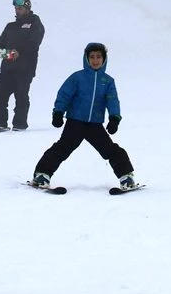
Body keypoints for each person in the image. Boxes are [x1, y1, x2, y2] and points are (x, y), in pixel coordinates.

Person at [30, 42, 138, 191]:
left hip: (94, 125)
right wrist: (58, 112)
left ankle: (126, 176)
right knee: (62, 148)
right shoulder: (77, 77)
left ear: (104, 59)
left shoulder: (107, 81)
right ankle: (42, 174)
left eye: (98, 57)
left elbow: (112, 100)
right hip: (75, 122)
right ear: (86, 59)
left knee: (110, 150)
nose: (95, 60)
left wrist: (114, 118)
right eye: (92, 57)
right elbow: (64, 95)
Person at [0, 0, 46, 132]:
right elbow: (0, 42)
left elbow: (34, 43)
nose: (17, 10)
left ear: (27, 8)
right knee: (0, 94)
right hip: (8, 66)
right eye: (16, 8)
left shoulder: (35, 23)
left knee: (21, 95)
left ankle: (20, 123)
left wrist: (20, 52)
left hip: (25, 67)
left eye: (20, 8)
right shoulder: (10, 26)